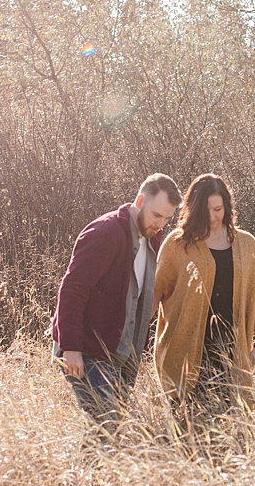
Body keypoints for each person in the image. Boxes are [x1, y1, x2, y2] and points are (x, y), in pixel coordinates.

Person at [51, 173, 182, 431]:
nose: (161, 224)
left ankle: (87, 472)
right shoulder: (105, 232)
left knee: (108, 429)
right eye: (157, 215)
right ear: (140, 200)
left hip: (120, 353)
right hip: (89, 350)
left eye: (167, 218)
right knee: (106, 424)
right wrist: (71, 348)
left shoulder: (152, 239)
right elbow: (73, 290)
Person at [152, 173, 255, 411]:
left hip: (233, 354)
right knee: (188, 430)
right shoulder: (177, 244)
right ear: (193, 209)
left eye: (218, 209)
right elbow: (155, 295)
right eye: (205, 210)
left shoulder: (246, 244)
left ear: (227, 207)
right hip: (186, 354)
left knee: (233, 430)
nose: (212, 217)